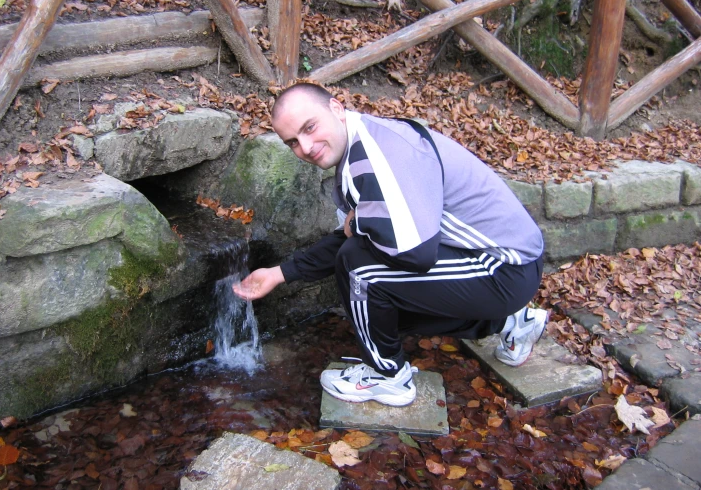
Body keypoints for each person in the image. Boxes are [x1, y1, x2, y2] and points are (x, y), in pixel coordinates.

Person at [233, 82, 547, 407]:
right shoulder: (362, 143)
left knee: (360, 272)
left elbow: (413, 253)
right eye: (293, 142)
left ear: (337, 109)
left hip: (505, 268)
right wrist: (279, 273)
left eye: (310, 128)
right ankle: (512, 322)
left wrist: (359, 222)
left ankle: (388, 377)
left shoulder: (376, 155)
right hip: (504, 263)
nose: (307, 147)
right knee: (376, 310)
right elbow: (359, 235)